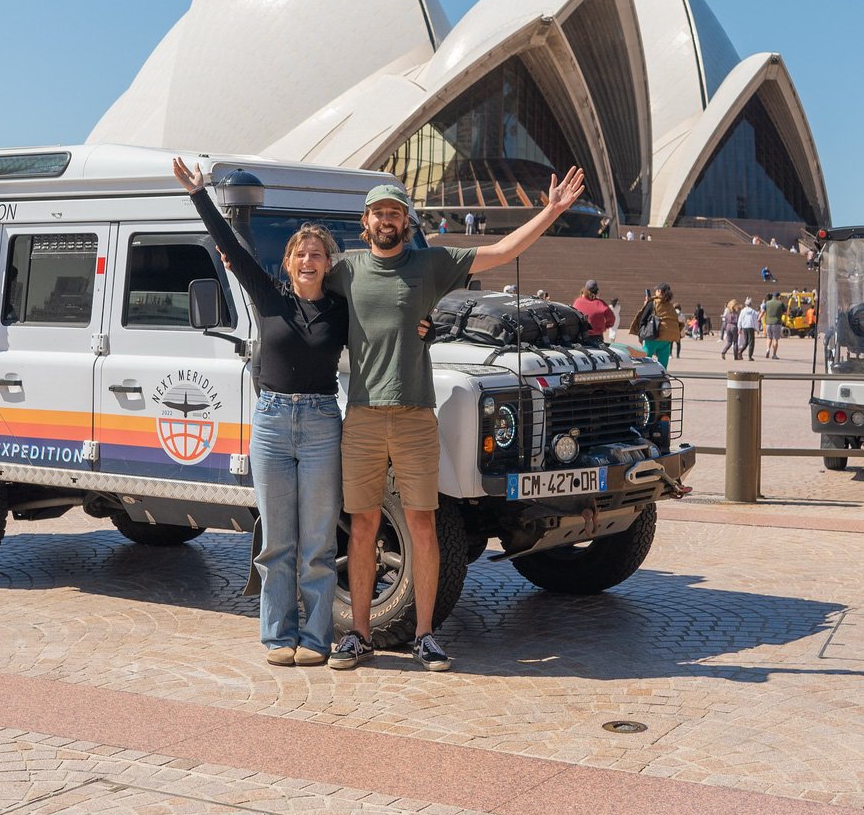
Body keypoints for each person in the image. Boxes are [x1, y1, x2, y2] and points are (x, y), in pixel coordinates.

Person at [327, 167, 585, 673]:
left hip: (416, 416)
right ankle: (358, 635)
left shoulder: (431, 263)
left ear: (406, 221)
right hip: (360, 417)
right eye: (379, 213)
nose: (386, 220)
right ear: (365, 222)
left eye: (395, 213)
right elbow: (299, 279)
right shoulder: (347, 269)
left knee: (423, 524)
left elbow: (502, 252)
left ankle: (424, 635)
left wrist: (550, 211)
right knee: (362, 526)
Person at [171, 157, 354, 666]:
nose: (308, 261)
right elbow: (230, 246)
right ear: (290, 262)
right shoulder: (269, 297)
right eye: (301, 254)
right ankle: (278, 637)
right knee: (276, 542)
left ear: (327, 263)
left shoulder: (340, 311)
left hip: (321, 424)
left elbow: (387, 317)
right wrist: (199, 194)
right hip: (271, 423)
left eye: (317, 255)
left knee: (317, 543)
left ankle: (316, 640)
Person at [630, 283, 681, 369]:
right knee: (663, 365)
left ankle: (645, 377)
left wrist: (640, 335)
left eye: (656, 290)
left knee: (644, 361)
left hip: (653, 337)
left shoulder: (653, 303)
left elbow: (643, 319)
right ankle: (661, 379)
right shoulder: (670, 306)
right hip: (667, 339)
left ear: (659, 291)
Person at [764, 291, 786, 359]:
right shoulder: (780, 303)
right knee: (775, 339)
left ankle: (767, 349)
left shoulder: (767, 303)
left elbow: (764, 310)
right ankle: (774, 355)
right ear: (778, 296)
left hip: (768, 323)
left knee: (769, 337)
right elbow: (784, 312)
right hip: (776, 323)